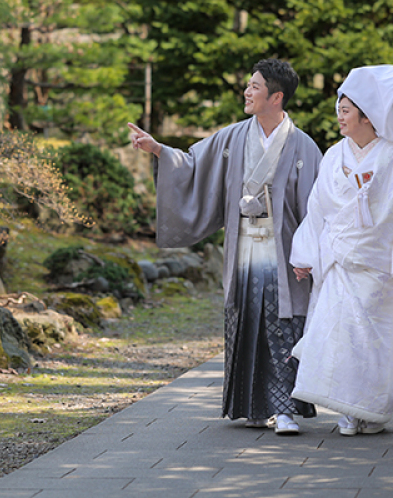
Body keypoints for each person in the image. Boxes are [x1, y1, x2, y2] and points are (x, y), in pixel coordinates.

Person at [127, 58, 322, 434]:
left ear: (276, 97)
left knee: (282, 324)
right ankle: (254, 407)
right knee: (248, 320)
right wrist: (157, 150)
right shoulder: (232, 137)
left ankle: (284, 410)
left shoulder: (303, 146)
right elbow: (191, 164)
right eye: (248, 85)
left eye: (254, 87)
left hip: (285, 252)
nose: (247, 92)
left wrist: (309, 254)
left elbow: (316, 208)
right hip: (245, 247)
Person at [290, 64, 393, 436]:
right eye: (339, 110)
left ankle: (370, 410)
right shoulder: (333, 156)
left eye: (345, 111)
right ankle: (347, 410)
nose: (339, 117)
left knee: (374, 340)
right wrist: (306, 254)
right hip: (340, 262)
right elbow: (317, 210)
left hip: (379, 263)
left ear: (366, 115)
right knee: (341, 337)